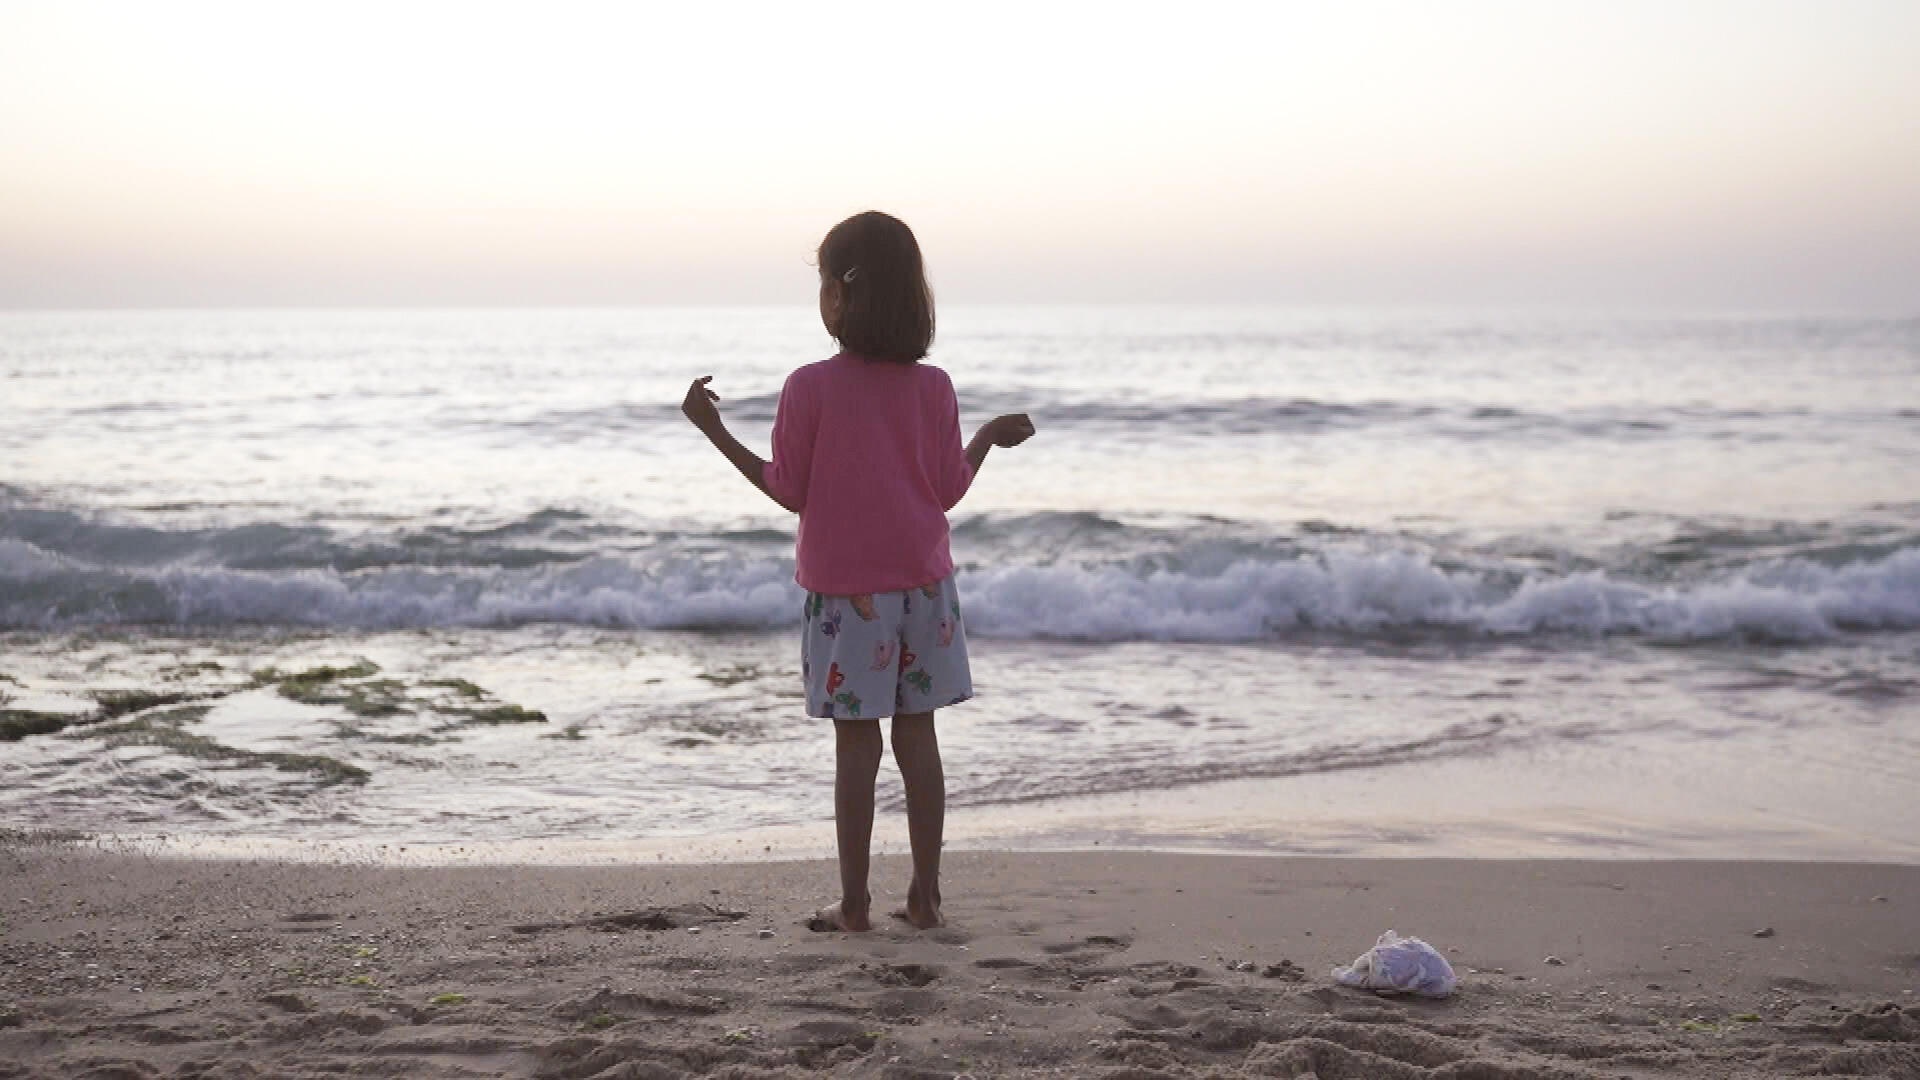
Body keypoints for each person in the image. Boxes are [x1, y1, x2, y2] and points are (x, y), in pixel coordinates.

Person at [681, 211, 1035, 932]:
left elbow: (789, 489)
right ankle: (926, 898)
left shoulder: (810, 386)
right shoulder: (933, 387)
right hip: (926, 591)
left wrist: (713, 429)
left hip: (848, 599)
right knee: (918, 739)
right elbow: (946, 492)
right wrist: (985, 441)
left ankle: (854, 904)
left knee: (857, 746)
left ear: (839, 296)